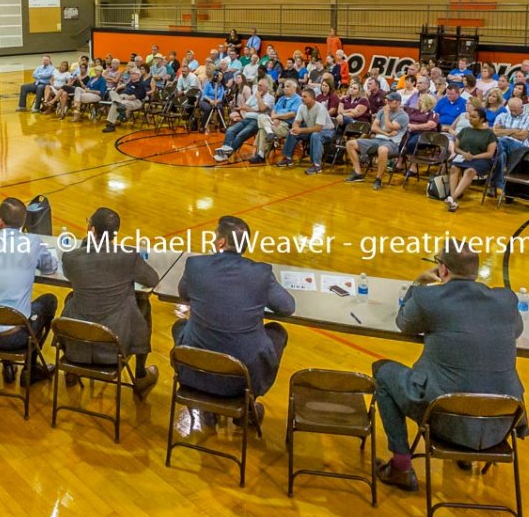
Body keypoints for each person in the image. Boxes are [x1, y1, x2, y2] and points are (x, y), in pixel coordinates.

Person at [372, 241, 526, 491]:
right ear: (476, 272)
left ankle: (401, 466)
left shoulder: (429, 298)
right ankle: (464, 455)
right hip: (501, 421)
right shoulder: (506, 300)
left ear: (442, 269)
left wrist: (417, 283)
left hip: (444, 417)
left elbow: (404, 322)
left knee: (383, 371)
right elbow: (516, 331)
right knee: (472, 376)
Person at [172, 216, 295, 422]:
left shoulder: (195, 265)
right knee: (277, 332)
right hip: (242, 377)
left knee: (180, 326)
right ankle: (248, 403)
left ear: (220, 242)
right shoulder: (261, 273)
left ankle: (206, 406)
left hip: (196, 370)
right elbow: (287, 307)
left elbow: (184, 293)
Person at [60, 207, 160, 399]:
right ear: (115, 234)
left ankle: (71, 371)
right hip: (115, 344)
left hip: (79, 341)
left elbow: (69, 274)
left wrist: (86, 244)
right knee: (143, 304)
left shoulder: (71, 258)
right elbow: (152, 280)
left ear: (91, 229)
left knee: (71, 299)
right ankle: (140, 374)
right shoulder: (128, 256)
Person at [0, 198, 58, 386]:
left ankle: (8, 365)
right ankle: (30, 369)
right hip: (15, 335)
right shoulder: (33, 243)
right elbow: (50, 268)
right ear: (23, 224)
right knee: (49, 301)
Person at [344, 92, 409, 189]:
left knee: (382, 149)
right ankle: (358, 173)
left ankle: (379, 178)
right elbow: (374, 127)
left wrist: (386, 115)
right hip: (377, 139)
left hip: (392, 143)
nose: (387, 102)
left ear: (398, 102)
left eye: (390, 100)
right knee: (350, 144)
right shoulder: (381, 111)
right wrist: (386, 133)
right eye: (387, 100)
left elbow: (389, 127)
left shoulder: (403, 116)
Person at [276, 87, 337, 174]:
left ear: (312, 98)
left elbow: (318, 128)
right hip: (312, 130)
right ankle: (288, 158)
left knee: (315, 135)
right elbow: (296, 121)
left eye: (305, 97)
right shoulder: (302, 107)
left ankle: (317, 165)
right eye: (302, 96)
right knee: (292, 133)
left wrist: (300, 130)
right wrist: (295, 128)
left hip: (327, 131)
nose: (302, 98)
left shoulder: (321, 108)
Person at [445, 108, 497, 212]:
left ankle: (452, 198)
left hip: (481, 160)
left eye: (474, 117)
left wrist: (473, 157)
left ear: (482, 120)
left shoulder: (489, 134)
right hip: (463, 157)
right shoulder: (465, 130)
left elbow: (490, 153)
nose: (471, 119)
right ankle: (452, 199)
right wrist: (464, 153)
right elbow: (456, 148)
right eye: (470, 117)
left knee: (470, 171)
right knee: (454, 168)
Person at [102, 69, 147, 133]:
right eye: (131, 74)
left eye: (133, 74)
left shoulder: (141, 85)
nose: (131, 75)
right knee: (111, 92)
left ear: (138, 75)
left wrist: (124, 97)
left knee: (115, 104)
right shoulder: (131, 82)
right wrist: (117, 88)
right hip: (122, 98)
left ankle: (111, 125)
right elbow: (125, 85)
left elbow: (135, 96)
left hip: (134, 101)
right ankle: (119, 104)